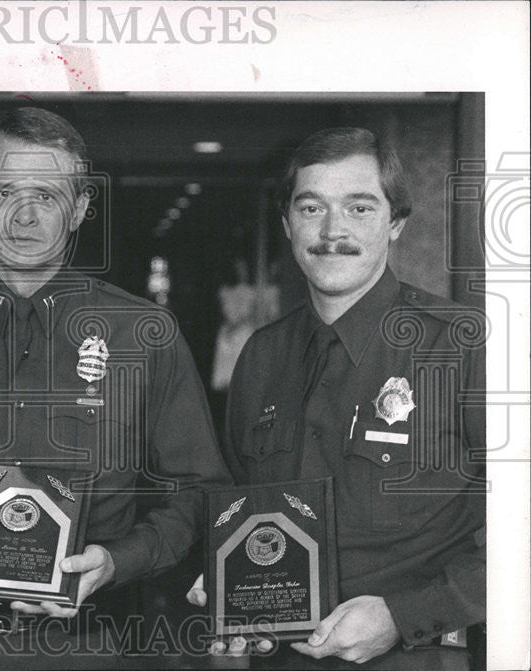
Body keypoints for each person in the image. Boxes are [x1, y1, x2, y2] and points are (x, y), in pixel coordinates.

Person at [0, 107, 231, 668]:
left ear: (81, 208)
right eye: (3, 193)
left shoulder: (145, 336)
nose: (24, 216)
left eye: (47, 195)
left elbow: (197, 491)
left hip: (90, 645)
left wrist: (119, 561)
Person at [187, 127, 485, 669]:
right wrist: (230, 578)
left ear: (396, 223)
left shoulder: (462, 344)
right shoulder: (261, 357)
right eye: (310, 208)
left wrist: (405, 614)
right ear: (287, 224)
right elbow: (241, 501)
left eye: (359, 208)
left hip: (419, 658)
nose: (332, 232)